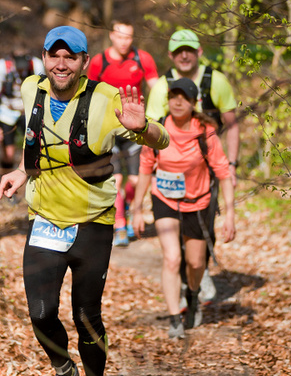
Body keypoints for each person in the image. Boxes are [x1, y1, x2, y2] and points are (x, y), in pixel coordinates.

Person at [0, 25, 168, 376]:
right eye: (54, 55)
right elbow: (38, 143)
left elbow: (160, 141)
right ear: (44, 57)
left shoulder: (107, 99)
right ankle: (64, 372)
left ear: (84, 62)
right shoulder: (29, 90)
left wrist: (142, 126)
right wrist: (23, 172)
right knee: (40, 313)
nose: (61, 63)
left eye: (70, 56)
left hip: (92, 223)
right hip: (44, 221)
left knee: (86, 314)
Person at [132, 77, 236, 339]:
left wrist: (230, 214)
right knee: (171, 258)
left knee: (195, 262)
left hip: (197, 202)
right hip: (164, 200)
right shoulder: (156, 129)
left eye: (185, 97)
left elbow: (223, 172)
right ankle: (174, 317)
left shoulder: (205, 131)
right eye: (174, 96)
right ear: (168, 99)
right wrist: (136, 208)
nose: (178, 102)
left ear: (194, 102)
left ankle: (192, 294)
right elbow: (145, 168)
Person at [145, 29, 240, 301]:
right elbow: (150, 131)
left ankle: (200, 271)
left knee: (204, 226)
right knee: (174, 239)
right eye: (178, 51)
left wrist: (231, 165)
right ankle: (182, 275)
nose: (184, 55)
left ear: (199, 52)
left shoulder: (216, 82)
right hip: (168, 173)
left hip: (206, 169)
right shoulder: (162, 87)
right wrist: (150, 170)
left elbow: (232, 126)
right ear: (171, 55)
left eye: (189, 49)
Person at [87, 20, 159, 247]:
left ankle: (125, 207)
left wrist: (157, 119)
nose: (124, 41)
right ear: (111, 36)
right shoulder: (100, 61)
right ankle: (119, 225)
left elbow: (157, 89)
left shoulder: (142, 59)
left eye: (128, 37)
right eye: (120, 36)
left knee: (137, 181)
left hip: (135, 128)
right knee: (115, 179)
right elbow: (89, 92)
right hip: (108, 127)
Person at [0, 46, 44, 169]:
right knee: (9, 154)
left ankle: (29, 177)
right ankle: (6, 177)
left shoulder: (36, 65)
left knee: (32, 149)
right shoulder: (1, 68)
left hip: (28, 110)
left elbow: (43, 94)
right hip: (7, 110)